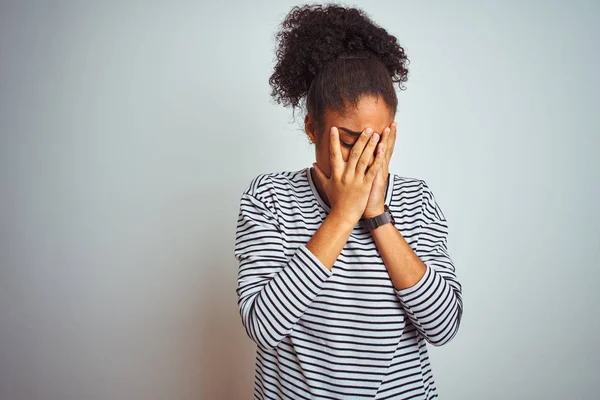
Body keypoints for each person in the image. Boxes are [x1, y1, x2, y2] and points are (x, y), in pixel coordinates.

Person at [234, 4, 463, 399]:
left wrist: (376, 215)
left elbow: (443, 326)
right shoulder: (269, 197)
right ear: (312, 128)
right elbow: (263, 324)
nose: (365, 160)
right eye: (350, 142)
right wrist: (342, 215)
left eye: (378, 143)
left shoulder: (416, 199)